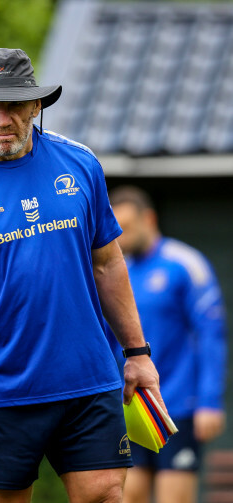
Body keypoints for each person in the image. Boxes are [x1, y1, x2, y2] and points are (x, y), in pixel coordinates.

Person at [0, 47, 167, 503]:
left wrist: (138, 353)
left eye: (15, 106)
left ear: (37, 105)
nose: (3, 119)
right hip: (1, 391)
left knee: (107, 495)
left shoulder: (81, 164)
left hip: (90, 381)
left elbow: (108, 263)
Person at [107, 185, 227, 503]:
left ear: (149, 219)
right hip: (134, 408)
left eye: (128, 229)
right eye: (117, 231)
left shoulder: (185, 263)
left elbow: (211, 335)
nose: (121, 238)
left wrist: (209, 401)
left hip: (178, 405)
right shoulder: (115, 272)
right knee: (128, 495)